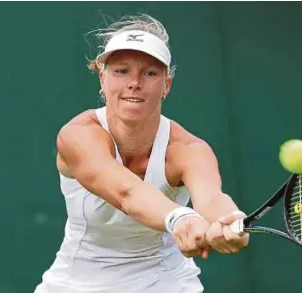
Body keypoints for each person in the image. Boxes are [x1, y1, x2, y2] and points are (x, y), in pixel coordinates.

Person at [34, 13, 249, 293]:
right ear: (103, 78)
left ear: (166, 85)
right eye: (121, 71)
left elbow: (212, 198)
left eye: (149, 73)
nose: (134, 82)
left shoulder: (188, 150)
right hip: (75, 284)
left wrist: (231, 222)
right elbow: (126, 192)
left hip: (167, 283)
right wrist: (181, 218)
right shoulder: (77, 135)